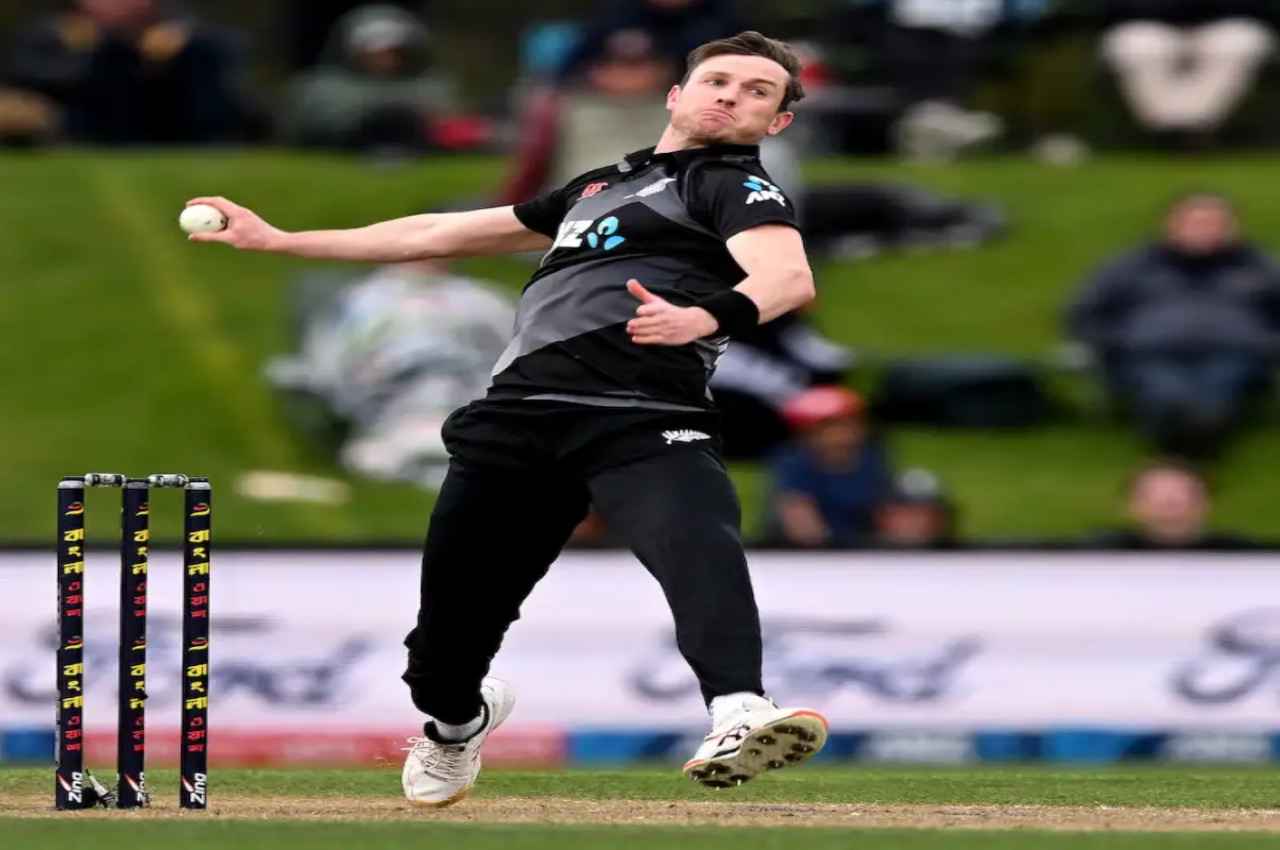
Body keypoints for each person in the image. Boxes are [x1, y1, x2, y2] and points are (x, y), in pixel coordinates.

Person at [185, 31, 829, 805]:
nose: (731, 95)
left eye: (758, 92)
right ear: (676, 94)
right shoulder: (600, 187)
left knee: (698, 546)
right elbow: (434, 233)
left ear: (777, 123)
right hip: (517, 420)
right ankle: (458, 722)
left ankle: (738, 708)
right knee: (441, 654)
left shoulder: (735, 186)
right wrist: (281, 239)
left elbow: (787, 278)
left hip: (643, 414)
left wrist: (704, 316)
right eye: (717, 79)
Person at [1065, 193, 1280, 456]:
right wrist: (1111, 343)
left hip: (1235, 354)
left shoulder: (1260, 269)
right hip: (1149, 354)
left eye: (1214, 223)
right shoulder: (1131, 267)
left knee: (1218, 388)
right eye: (1194, 223)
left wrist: (1268, 342)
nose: (1203, 230)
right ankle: (1185, 430)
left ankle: (1194, 432)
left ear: (1232, 229)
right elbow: (1085, 311)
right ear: (1170, 226)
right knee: (1163, 389)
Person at [7, 0, 255, 145]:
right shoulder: (59, 35)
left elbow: (227, 89)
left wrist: (175, 52)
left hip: (173, 135)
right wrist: (93, 54)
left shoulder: (185, 36)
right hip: (78, 134)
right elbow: (28, 77)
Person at [1099, 1, 1276, 139]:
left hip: (1223, 25)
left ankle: (1195, 128)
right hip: (1151, 25)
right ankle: (1167, 128)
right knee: (1137, 45)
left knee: (1239, 42)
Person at [761, 386, 895, 548]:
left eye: (850, 424)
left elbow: (886, 512)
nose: (844, 434)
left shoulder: (872, 460)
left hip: (867, 549)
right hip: (813, 552)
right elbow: (800, 521)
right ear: (809, 432)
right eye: (832, 427)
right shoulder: (793, 464)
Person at [1084, 459, 1258, 549]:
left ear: (1205, 501)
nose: (1169, 500)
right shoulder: (1096, 554)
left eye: (1182, 492)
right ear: (1131, 505)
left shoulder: (1245, 556)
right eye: (1154, 493)